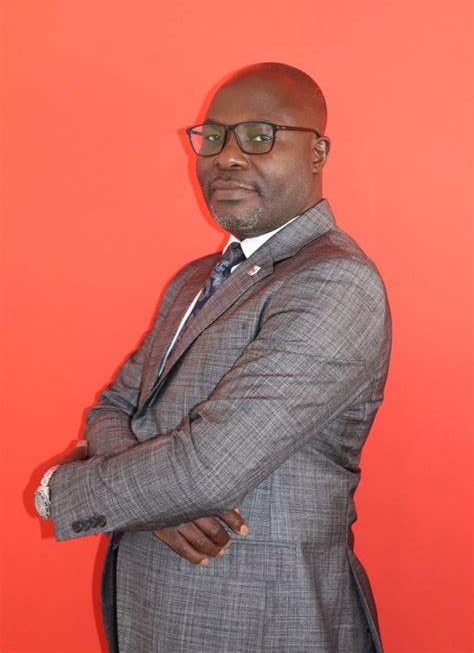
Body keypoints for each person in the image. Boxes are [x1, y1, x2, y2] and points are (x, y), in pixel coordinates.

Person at [34, 62, 392, 652]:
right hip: (154, 616)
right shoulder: (192, 281)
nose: (227, 157)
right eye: (214, 136)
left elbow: (208, 470)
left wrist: (61, 487)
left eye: (259, 136)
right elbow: (113, 407)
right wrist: (158, 505)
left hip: (264, 622)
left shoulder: (334, 282)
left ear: (317, 153)